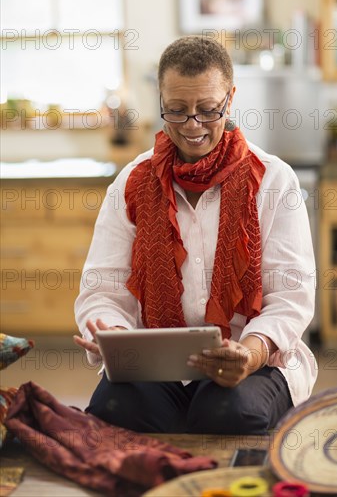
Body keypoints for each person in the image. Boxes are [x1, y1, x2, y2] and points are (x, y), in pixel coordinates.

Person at [74, 36, 317, 435]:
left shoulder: (274, 180)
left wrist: (252, 354)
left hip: (253, 359)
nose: (192, 126)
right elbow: (102, 288)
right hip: (157, 370)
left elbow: (291, 295)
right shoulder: (131, 183)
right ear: (160, 100)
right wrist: (112, 334)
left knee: (227, 411)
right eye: (177, 110)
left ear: (230, 99)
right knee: (110, 404)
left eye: (208, 110)